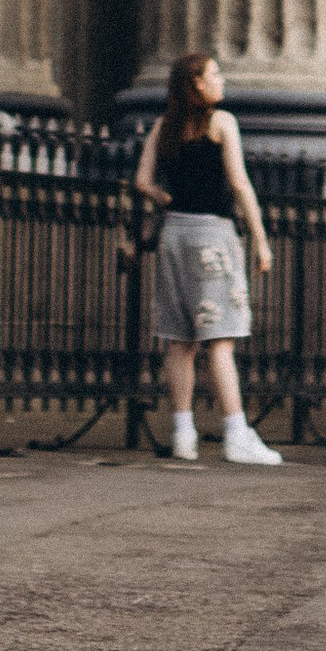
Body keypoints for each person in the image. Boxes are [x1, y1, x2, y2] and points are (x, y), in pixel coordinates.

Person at [131, 51, 284, 466]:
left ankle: (183, 432)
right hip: (213, 236)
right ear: (196, 83)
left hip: (174, 235)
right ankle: (236, 432)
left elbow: (142, 180)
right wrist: (261, 238)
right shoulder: (222, 123)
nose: (221, 80)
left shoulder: (164, 127)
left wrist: (165, 197)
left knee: (179, 341)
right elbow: (239, 183)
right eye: (215, 73)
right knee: (220, 339)